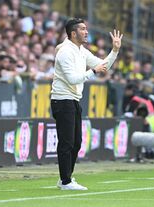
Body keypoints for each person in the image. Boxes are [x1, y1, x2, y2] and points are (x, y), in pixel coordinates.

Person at [50, 18, 123, 190]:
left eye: (86, 28)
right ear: (73, 33)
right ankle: (66, 181)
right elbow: (72, 78)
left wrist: (114, 50)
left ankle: (65, 178)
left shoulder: (81, 50)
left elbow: (102, 66)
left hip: (73, 99)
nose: (86, 31)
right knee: (66, 142)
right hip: (62, 99)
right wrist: (92, 72)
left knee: (76, 142)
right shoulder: (65, 52)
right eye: (82, 29)